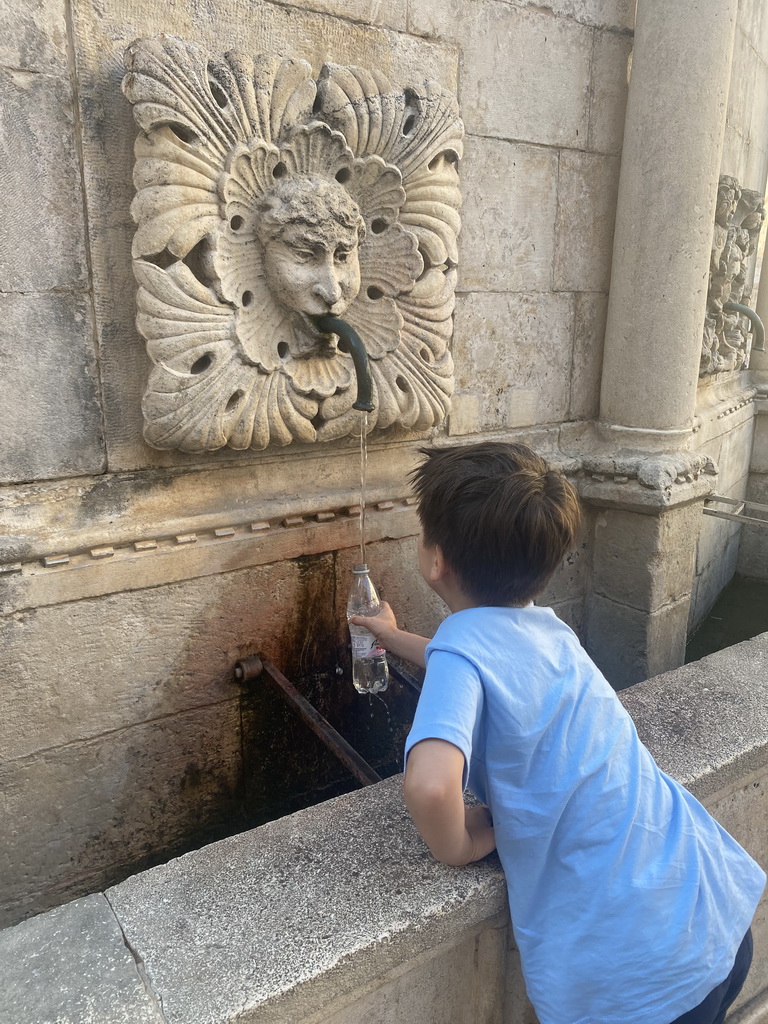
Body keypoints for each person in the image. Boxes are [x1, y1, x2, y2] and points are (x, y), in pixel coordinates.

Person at [350, 441, 765, 1024]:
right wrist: (396, 640)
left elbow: (431, 787)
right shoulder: (551, 634)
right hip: (711, 913)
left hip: (638, 988)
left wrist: (459, 843)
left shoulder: (461, 656)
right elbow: (480, 665)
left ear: (435, 559)